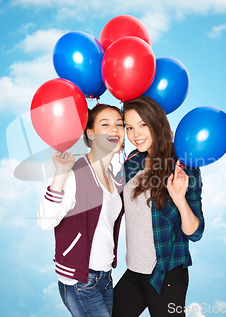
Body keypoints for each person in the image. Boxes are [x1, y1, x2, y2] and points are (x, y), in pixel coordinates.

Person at [112, 96, 204, 317]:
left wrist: (180, 198)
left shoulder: (181, 165)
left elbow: (196, 232)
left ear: (157, 122)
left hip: (167, 274)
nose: (136, 134)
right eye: (130, 127)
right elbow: (110, 200)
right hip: (135, 270)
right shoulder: (133, 161)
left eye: (143, 124)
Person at [37, 104, 125, 317]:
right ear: (91, 134)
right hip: (80, 280)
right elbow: (45, 222)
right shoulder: (76, 172)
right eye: (105, 125)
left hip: (105, 277)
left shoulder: (116, 179)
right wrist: (60, 174)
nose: (114, 130)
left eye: (119, 125)